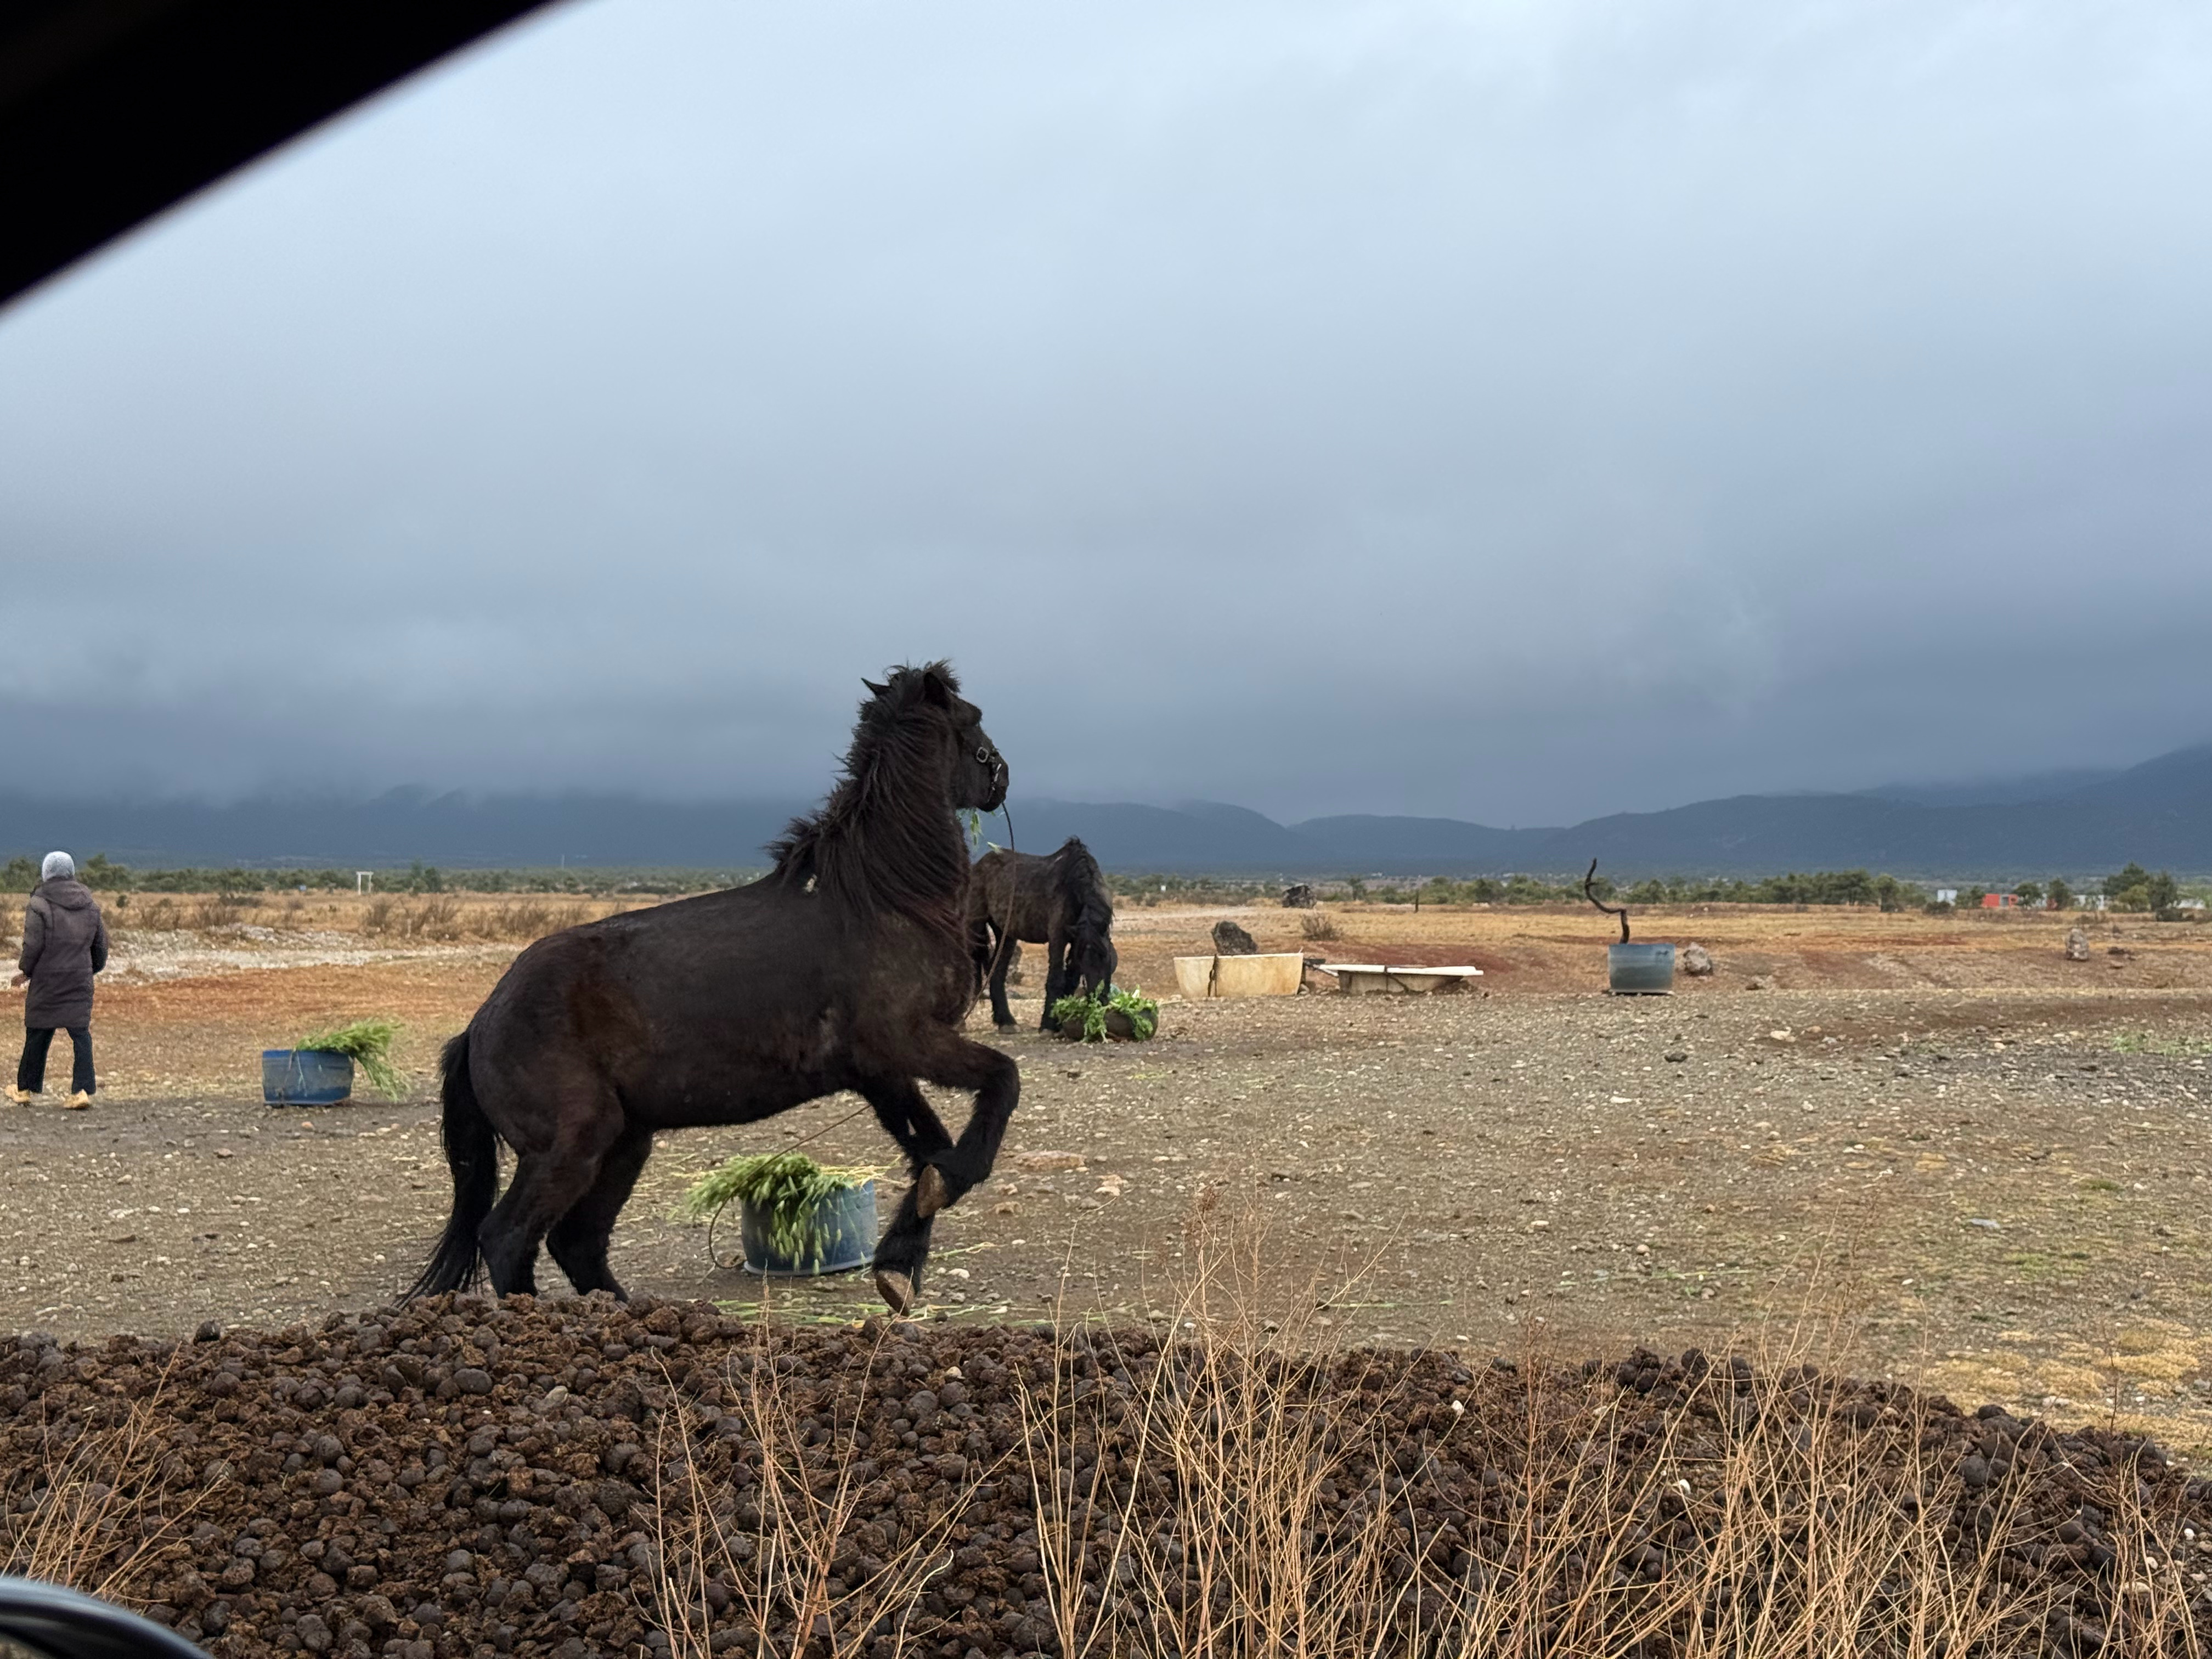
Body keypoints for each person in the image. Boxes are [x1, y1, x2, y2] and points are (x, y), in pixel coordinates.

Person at [10, 851, 109, 1108]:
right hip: (79, 978)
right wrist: (88, 970)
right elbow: (101, 949)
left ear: (46, 872)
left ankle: (25, 1090)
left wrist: (25, 971)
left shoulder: (38, 903)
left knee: (38, 1031)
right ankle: (82, 1091)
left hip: (46, 980)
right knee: (81, 1035)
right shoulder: (90, 904)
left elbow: (33, 944)